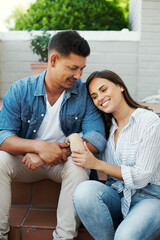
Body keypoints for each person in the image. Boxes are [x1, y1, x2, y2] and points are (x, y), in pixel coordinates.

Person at [0, 31, 106, 240]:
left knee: (79, 163)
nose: (78, 75)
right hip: (27, 163)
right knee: (0, 160)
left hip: (62, 164)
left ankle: (64, 237)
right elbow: (3, 137)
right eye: (73, 68)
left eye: (82, 68)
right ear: (54, 60)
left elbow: (96, 139)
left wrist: (51, 153)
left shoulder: (84, 93)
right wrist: (39, 147)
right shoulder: (20, 90)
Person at [70, 70, 160, 240]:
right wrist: (73, 136)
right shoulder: (105, 128)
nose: (100, 98)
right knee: (83, 191)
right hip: (118, 197)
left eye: (104, 90)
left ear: (120, 86)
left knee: (125, 236)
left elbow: (141, 177)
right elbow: (79, 140)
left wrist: (96, 164)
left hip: (152, 198)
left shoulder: (149, 121)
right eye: (94, 96)